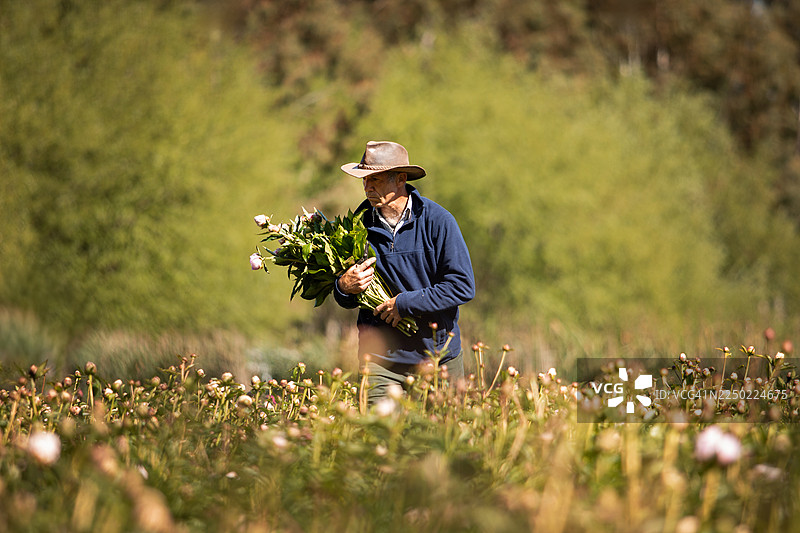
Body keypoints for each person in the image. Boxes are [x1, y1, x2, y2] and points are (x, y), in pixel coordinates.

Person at [334, 140, 475, 403]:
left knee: (443, 430)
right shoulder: (355, 226)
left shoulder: (438, 221)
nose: (367, 187)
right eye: (365, 180)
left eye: (375, 179)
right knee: (379, 430)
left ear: (400, 179)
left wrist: (404, 304)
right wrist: (343, 287)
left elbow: (462, 286)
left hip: (437, 359)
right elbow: (346, 296)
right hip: (380, 362)